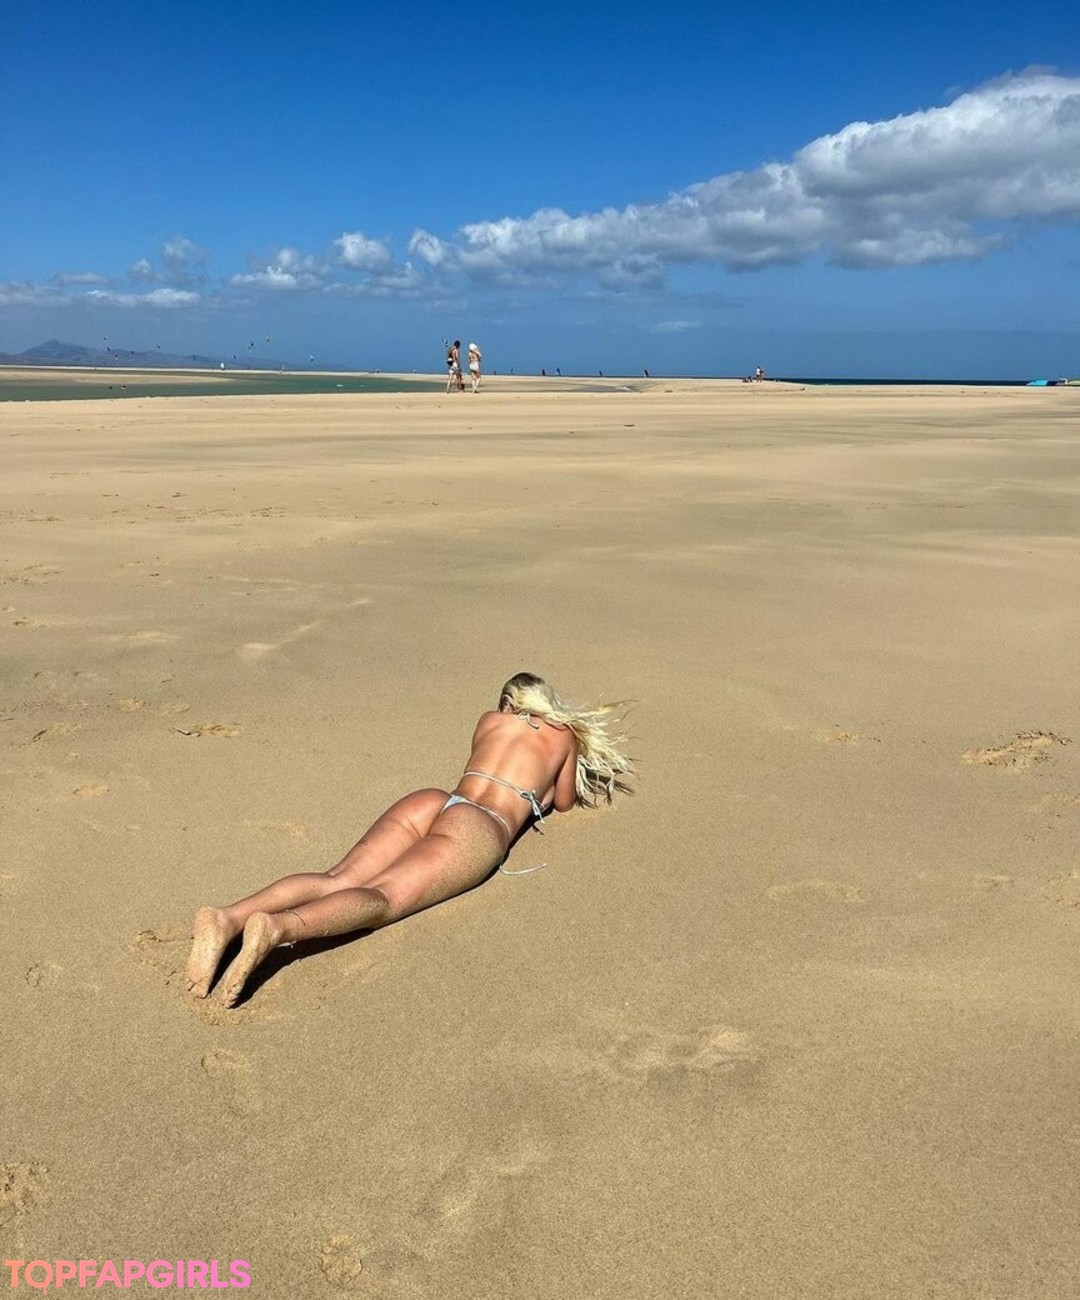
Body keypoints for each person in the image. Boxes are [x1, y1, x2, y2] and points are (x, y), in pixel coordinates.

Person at [185, 672, 634, 1007]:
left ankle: (228, 917)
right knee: (383, 898)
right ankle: (278, 928)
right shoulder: (562, 734)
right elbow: (563, 801)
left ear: (507, 703)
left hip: (436, 801)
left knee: (337, 878)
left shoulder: (489, 721)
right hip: (482, 824)